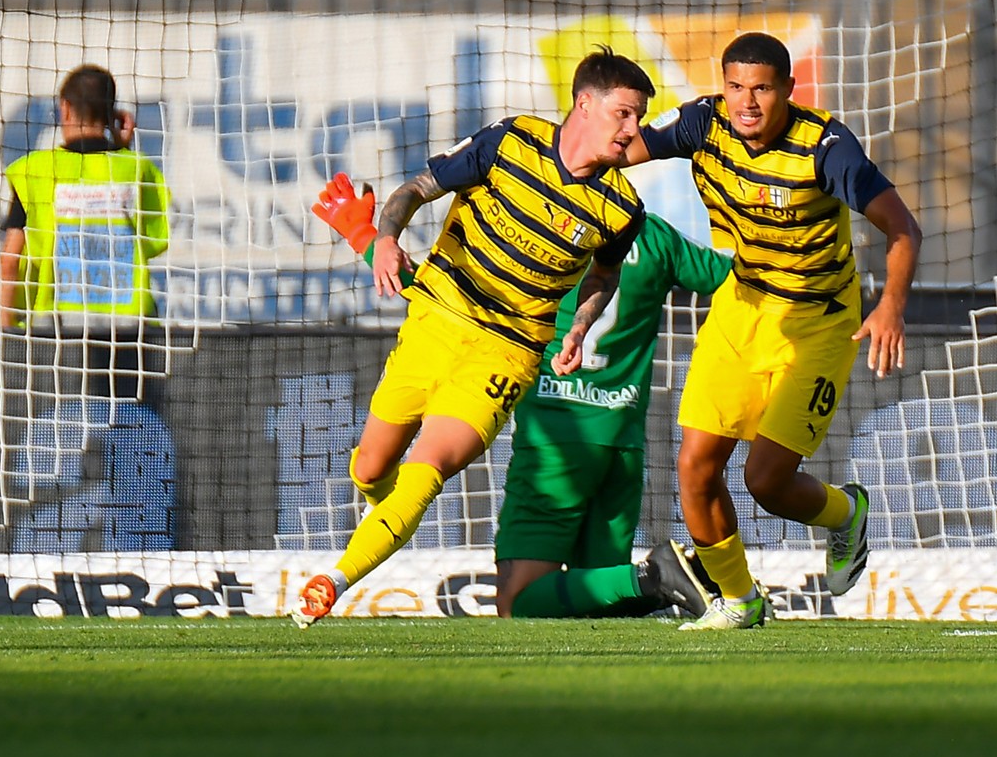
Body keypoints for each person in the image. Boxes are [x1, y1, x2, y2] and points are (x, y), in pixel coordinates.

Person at [291, 48, 651, 628]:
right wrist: (383, 237)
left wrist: (579, 325)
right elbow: (416, 189)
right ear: (585, 104)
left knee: (427, 469)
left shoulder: (621, 206)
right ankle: (388, 523)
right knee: (370, 470)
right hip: (434, 321)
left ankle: (333, 581)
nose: (635, 130)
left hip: (506, 352)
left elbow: (603, 275)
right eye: (625, 114)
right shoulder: (511, 142)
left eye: (639, 117)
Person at [311, 170, 732, 620]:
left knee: (519, 603)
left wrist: (363, 237)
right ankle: (676, 578)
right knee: (602, 603)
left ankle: (656, 574)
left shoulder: (541, 236)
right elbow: (735, 281)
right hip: (622, 444)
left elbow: (454, 300)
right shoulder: (653, 236)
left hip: (553, 442)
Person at [625, 32, 923, 629]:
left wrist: (890, 305)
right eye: (736, 87)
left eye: (762, 88)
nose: (747, 102)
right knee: (695, 465)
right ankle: (739, 600)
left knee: (764, 481)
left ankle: (844, 514)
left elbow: (903, 228)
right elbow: (619, 150)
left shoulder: (826, 147)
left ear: (788, 89)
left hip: (818, 323)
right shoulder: (700, 124)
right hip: (742, 305)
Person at [0, 64, 169, 402]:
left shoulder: (35, 170)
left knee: (59, 427)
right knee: (131, 427)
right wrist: (121, 150)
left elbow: (8, 262)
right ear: (112, 114)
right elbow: (152, 240)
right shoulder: (136, 169)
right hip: (127, 325)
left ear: (64, 107)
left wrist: (5, 332)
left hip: (56, 325)